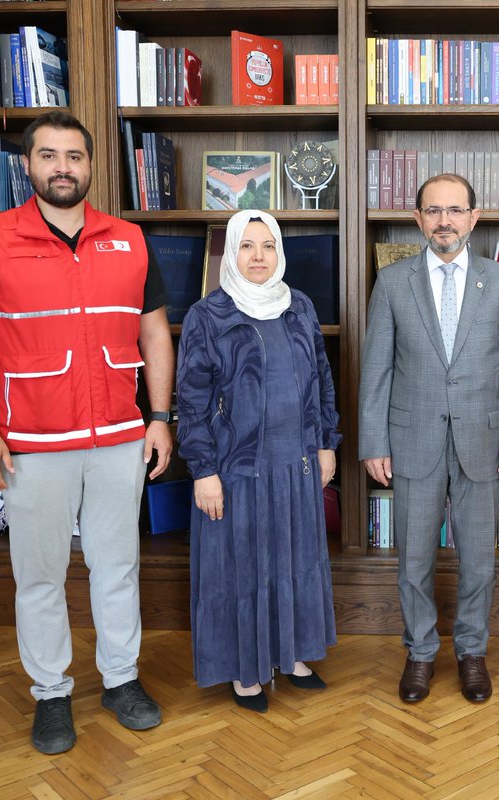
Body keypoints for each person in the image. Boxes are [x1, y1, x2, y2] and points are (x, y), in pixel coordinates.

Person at [0, 111, 173, 754]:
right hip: (32, 445)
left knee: (117, 567)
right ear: (28, 164)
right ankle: (51, 693)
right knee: (40, 575)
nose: (62, 167)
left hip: (120, 437)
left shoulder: (129, 239)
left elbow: (154, 335)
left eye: (74, 156)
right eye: (49, 155)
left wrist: (159, 418)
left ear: (90, 165)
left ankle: (121, 680)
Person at [359, 173, 499, 704]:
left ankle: (471, 652)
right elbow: (376, 372)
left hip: (484, 443)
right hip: (412, 440)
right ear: (418, 219)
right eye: (434, 211)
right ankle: (419, 653)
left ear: (473, 218)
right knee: (413, 560)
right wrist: (374, 442)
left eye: (455, 210)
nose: (444, 221)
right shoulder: (393, 282)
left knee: (479, 561)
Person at [175, 210, 340, 713]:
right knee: (241, 569)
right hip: (236, 470)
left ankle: (291, 656)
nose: (258, 256)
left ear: (279, 252)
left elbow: (322, 378)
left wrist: (326, 442)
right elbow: (192, 401)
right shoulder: (208, 315)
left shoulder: (299, 306)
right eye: (246, 246)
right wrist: (203, 471)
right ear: (231, 252)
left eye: (267, 245)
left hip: (297, 463)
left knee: (295, 560)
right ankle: (245, 671)